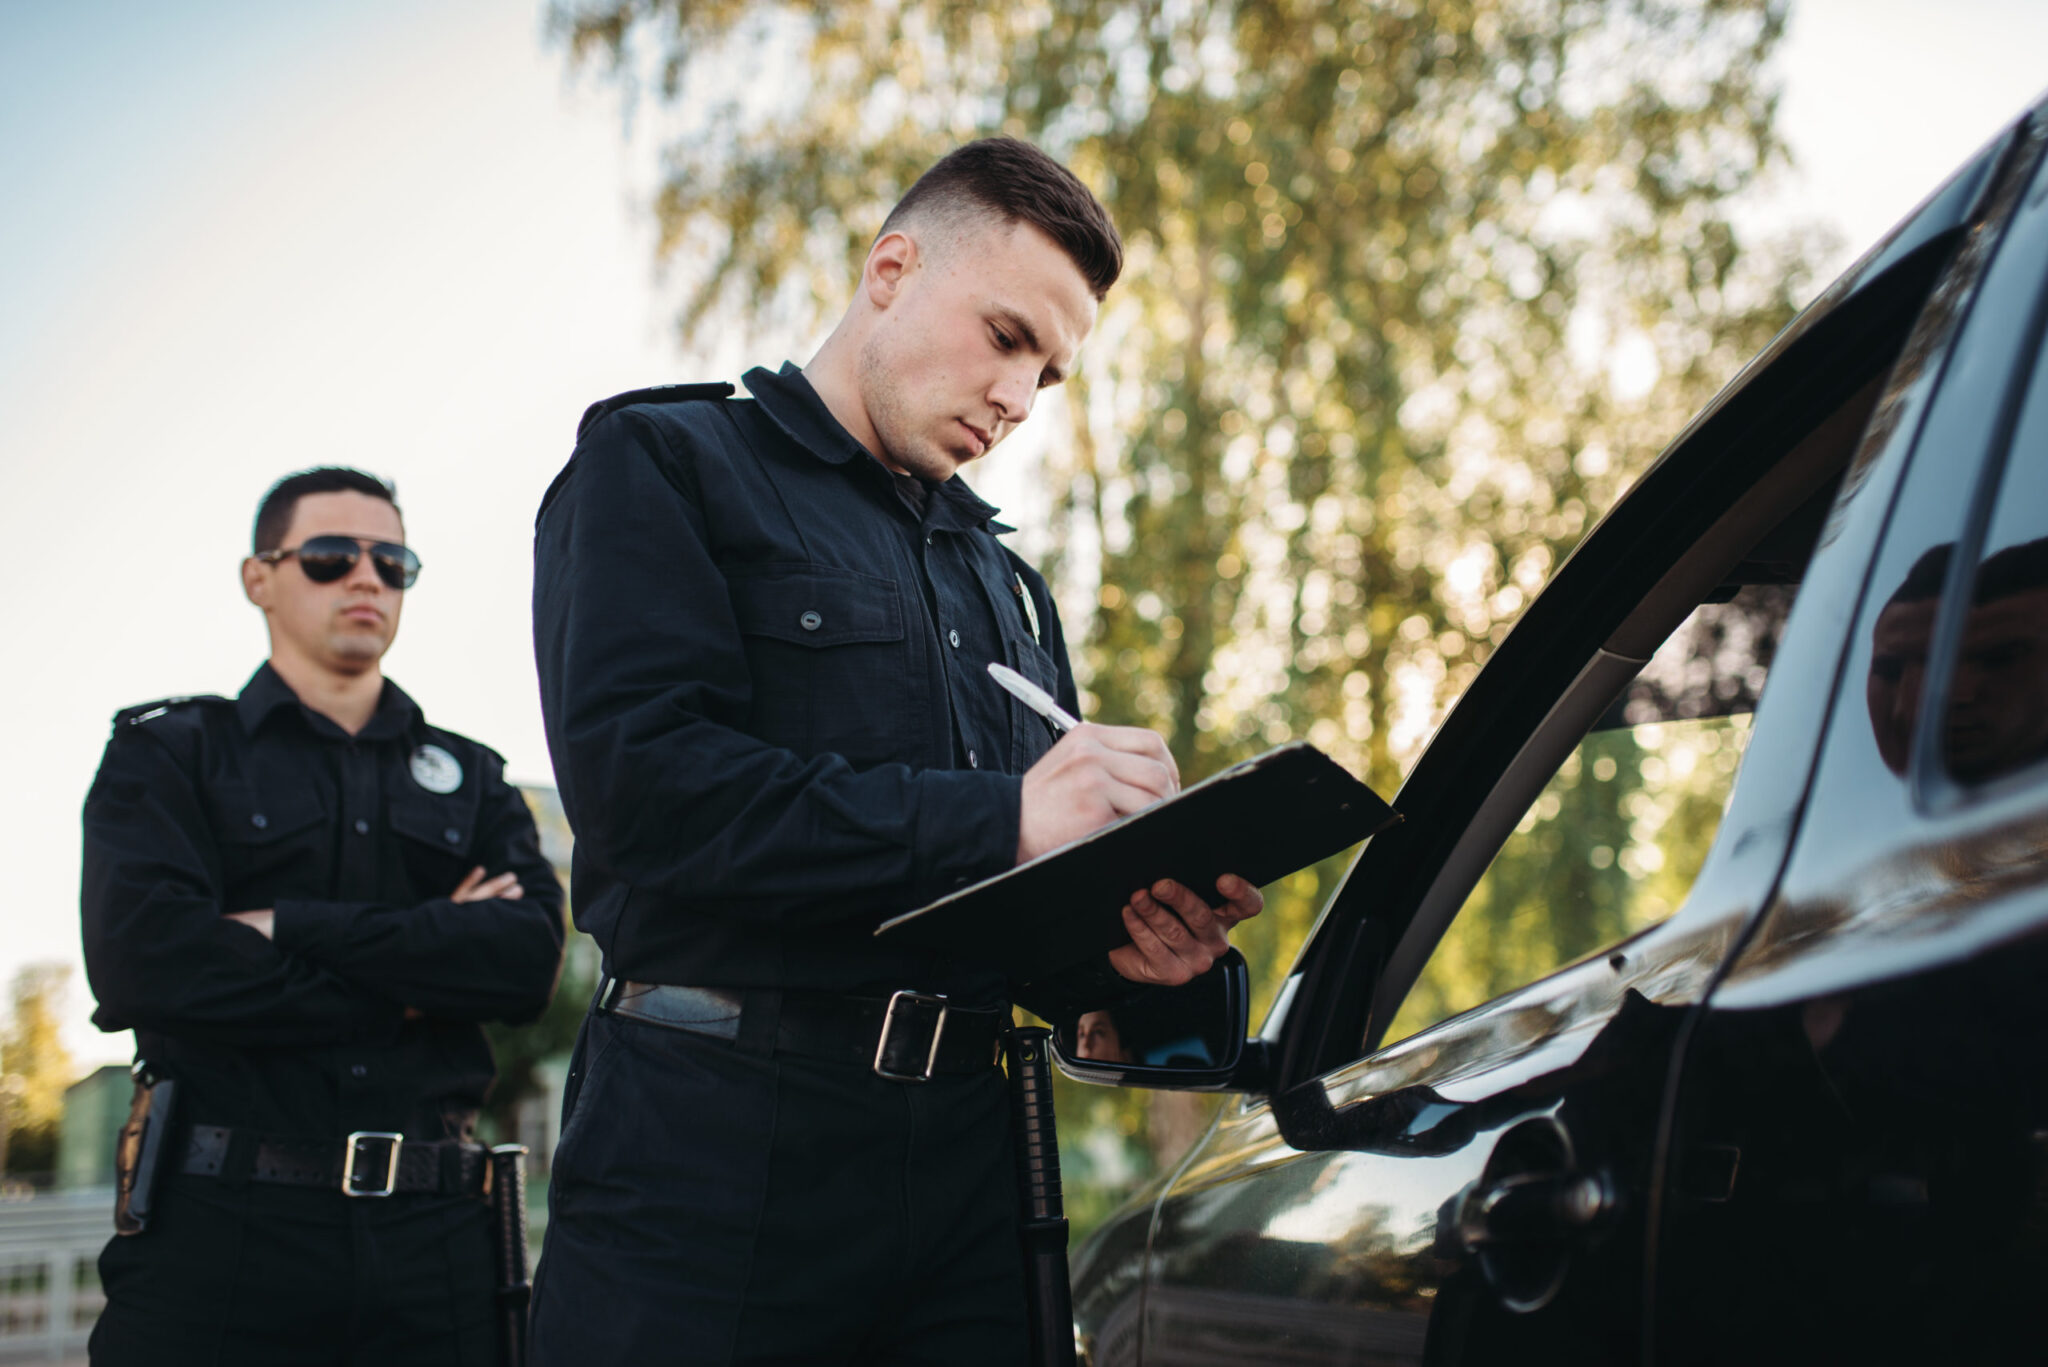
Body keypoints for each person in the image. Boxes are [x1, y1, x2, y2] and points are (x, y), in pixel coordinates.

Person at [529, 137, 1265, 1364]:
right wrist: (1006, 820)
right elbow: (644, 795)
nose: (1018, 398)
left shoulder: (1006, 584)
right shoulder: (665, 465)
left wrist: (1141, 954)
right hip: (713, 1167)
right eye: (1004, 335)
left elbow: (1024, 926)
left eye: (1049, 373)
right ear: (889, 268)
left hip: (972, 1177)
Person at [80, 467, 566, 1366]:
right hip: (221, 1233)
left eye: (394, 560)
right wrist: (423, 977)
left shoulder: (474, 775)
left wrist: (284, 926)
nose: (366, 577)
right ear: (259, 577)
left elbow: (524, 961)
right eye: (332, 555)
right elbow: (146, 963)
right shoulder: (169, 754)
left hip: (440, 1242)